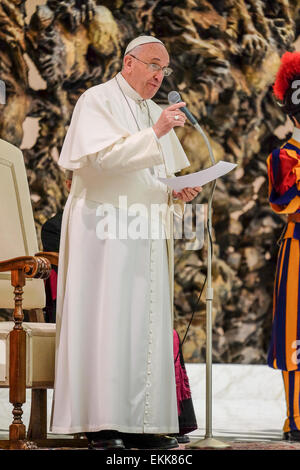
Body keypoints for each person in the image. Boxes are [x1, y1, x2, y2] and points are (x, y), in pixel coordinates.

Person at [50, 35, 201, 450]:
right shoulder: (96, 100)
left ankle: (143, 423)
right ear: (128, 62)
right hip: (105, 231)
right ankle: (103, 425)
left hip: (145, 236)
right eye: (153, 64)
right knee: (109, 323)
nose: (159, 75)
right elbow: (99, 164)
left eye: (164, 69)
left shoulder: (153, 111)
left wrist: (177, 190)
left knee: (144, 328)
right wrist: (156, 131)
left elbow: (156, 176)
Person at [267, 51, 300, 442]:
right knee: (295, 336)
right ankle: (297, 418)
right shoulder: (285, 155)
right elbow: (284, 200)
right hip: (298, 251)